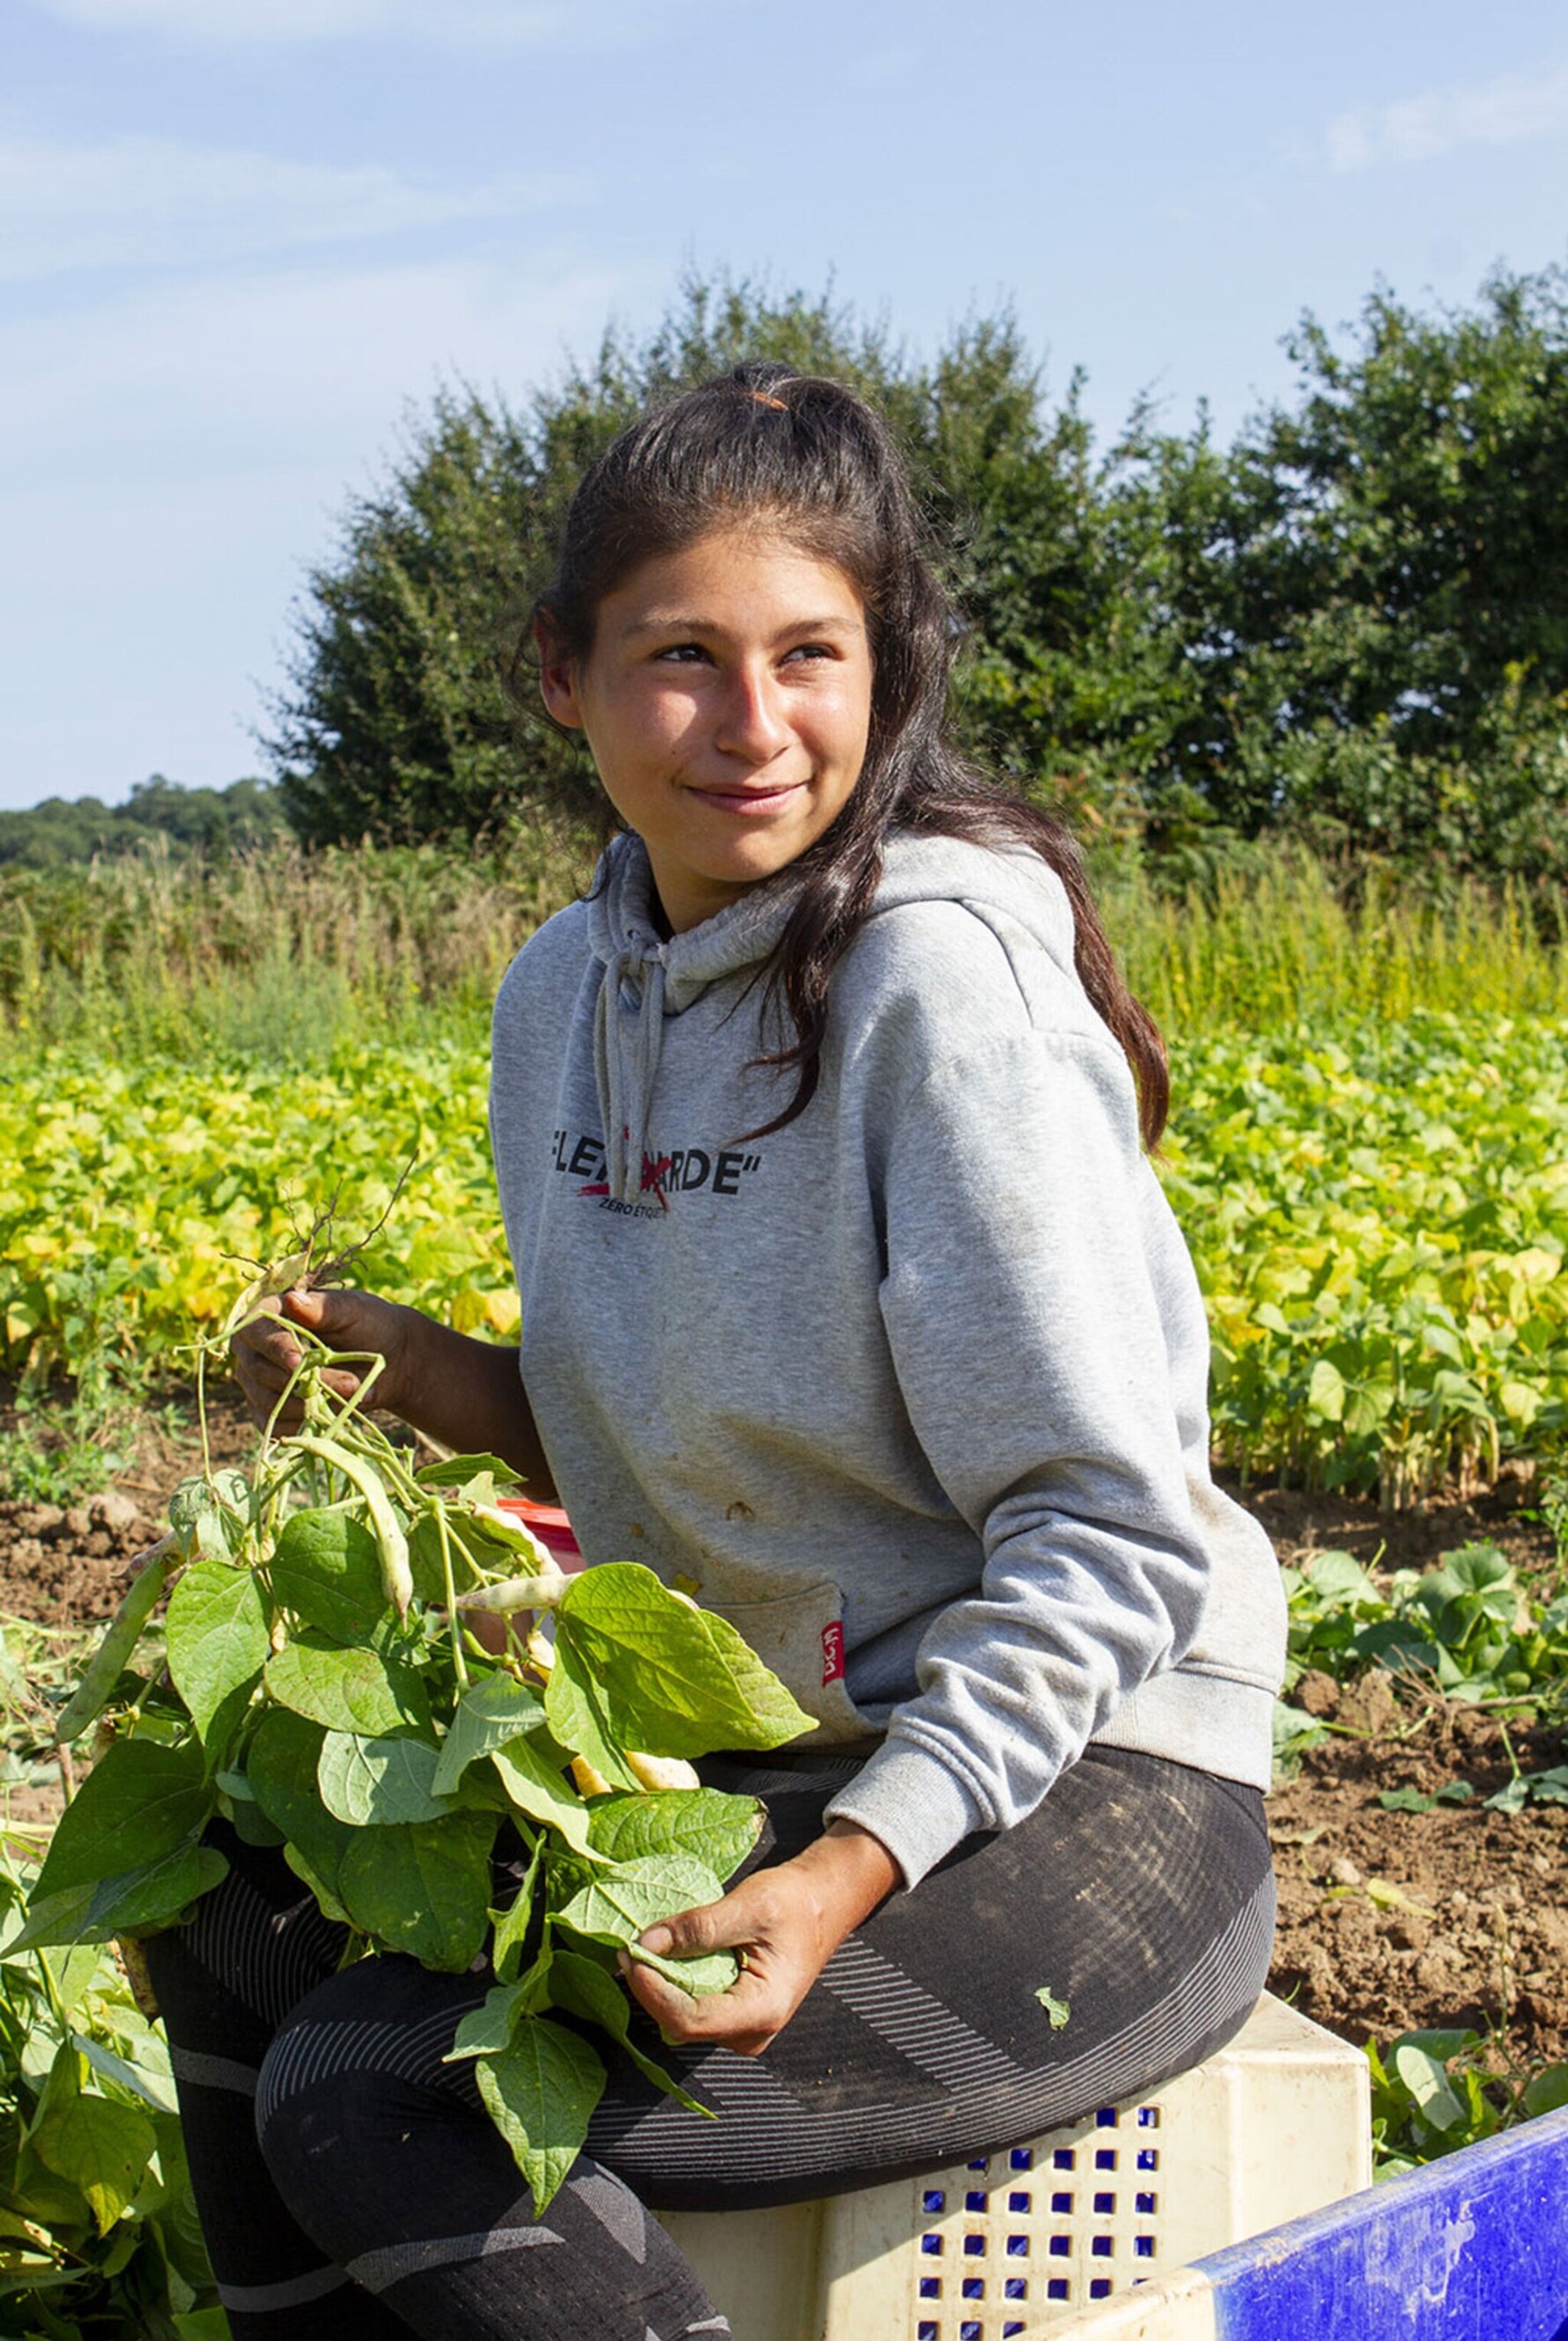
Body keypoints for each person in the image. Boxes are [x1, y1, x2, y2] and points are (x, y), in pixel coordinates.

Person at [152, 365, 1286, 2341]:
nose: (755, 725)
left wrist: (847, 1868)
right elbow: (681, 1437)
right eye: (682, 656)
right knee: (223, 1898)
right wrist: (418, 1374)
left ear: (884, 667)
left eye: (810, 654)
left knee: (382, 2097)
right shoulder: (559, 995)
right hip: (768, 1756)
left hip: (1083, 1791)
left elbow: (1110, 1540)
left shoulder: (937, 983)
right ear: (562, 675)